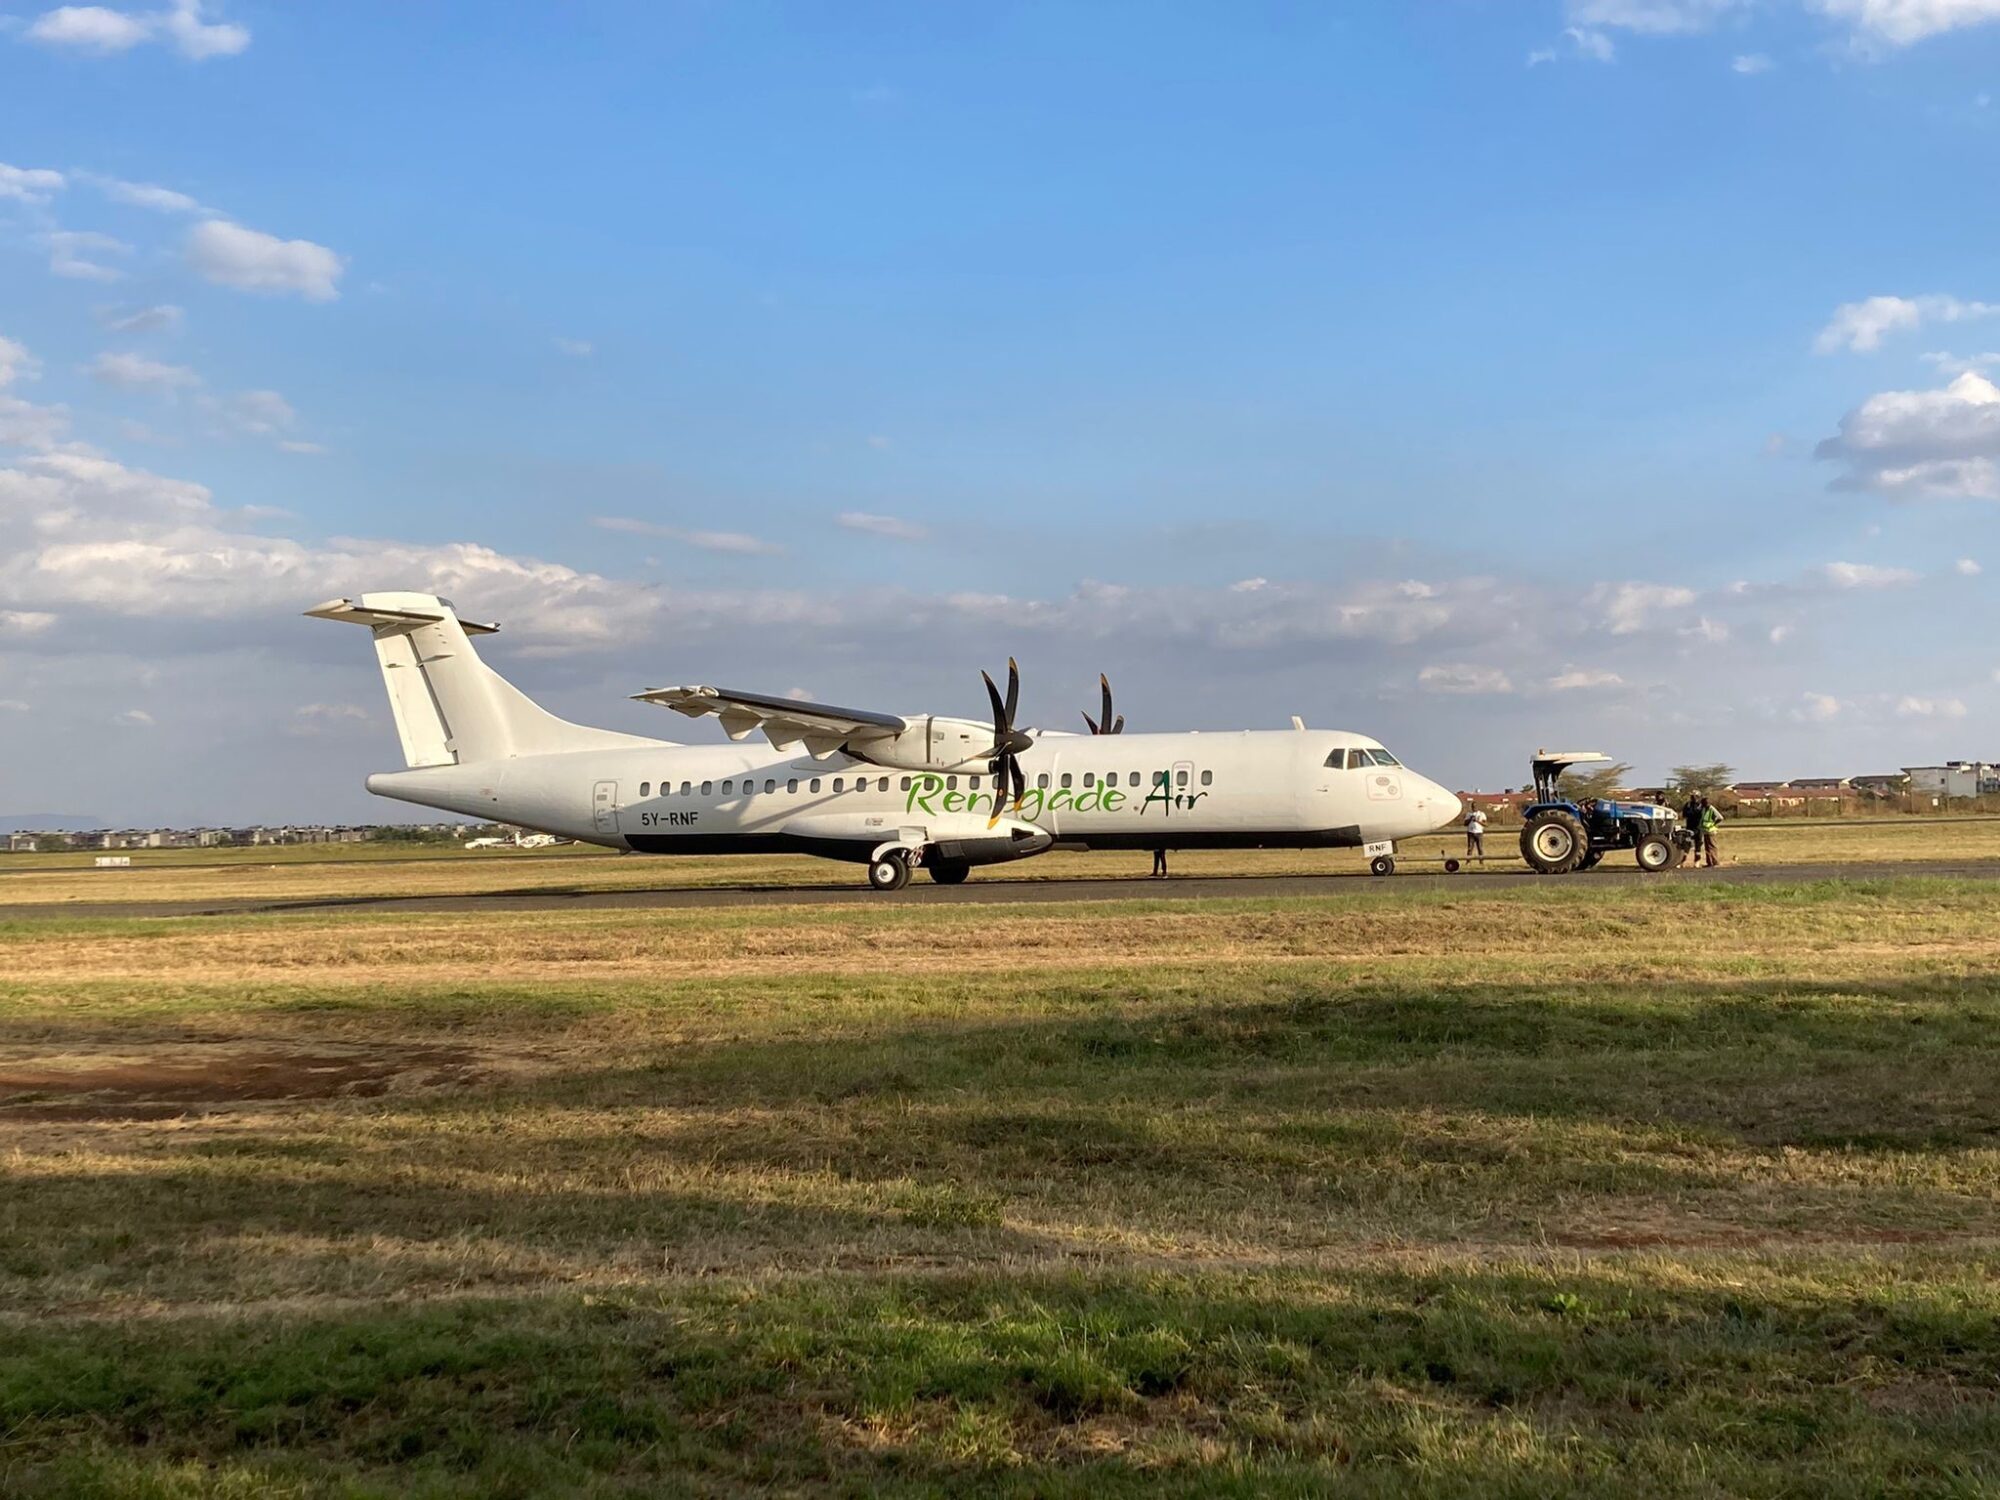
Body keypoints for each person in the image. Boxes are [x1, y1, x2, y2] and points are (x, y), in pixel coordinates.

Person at [1700, 798, 1722, 867]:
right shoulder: (1704, 809)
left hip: (1711, 830)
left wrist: (1714, 823)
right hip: (1705, 831)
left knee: (1712, 847)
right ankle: (1709, 862)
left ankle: (1716, 862)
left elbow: (1720, 817)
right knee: (1707, 847)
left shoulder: (1711, 809)